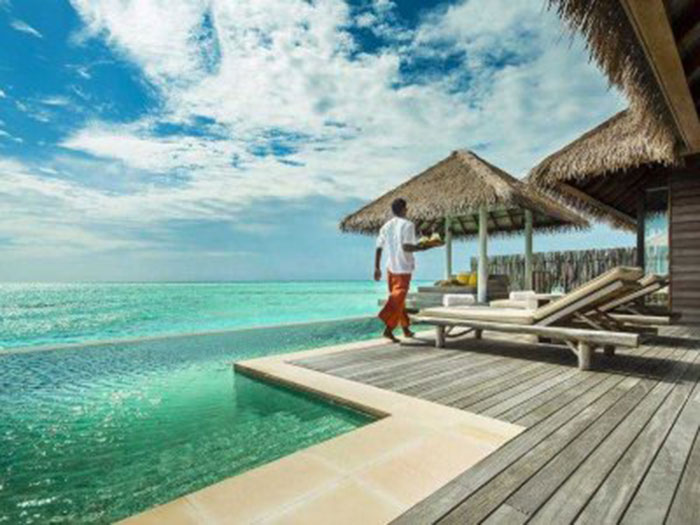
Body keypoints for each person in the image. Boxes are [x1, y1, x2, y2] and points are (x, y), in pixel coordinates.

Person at [374, 198, 441, 342]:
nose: (407, 210)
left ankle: (405, 328)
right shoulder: (408, 225)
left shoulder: (386, 226)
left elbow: (379, 247)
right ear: (404, 209)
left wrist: (377, 267)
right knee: (398, 299)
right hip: (403, 268)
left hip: (390, 268)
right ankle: (388, 329)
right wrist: (427, 246)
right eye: (406, 208)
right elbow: (407, 247)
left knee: (400, 300)